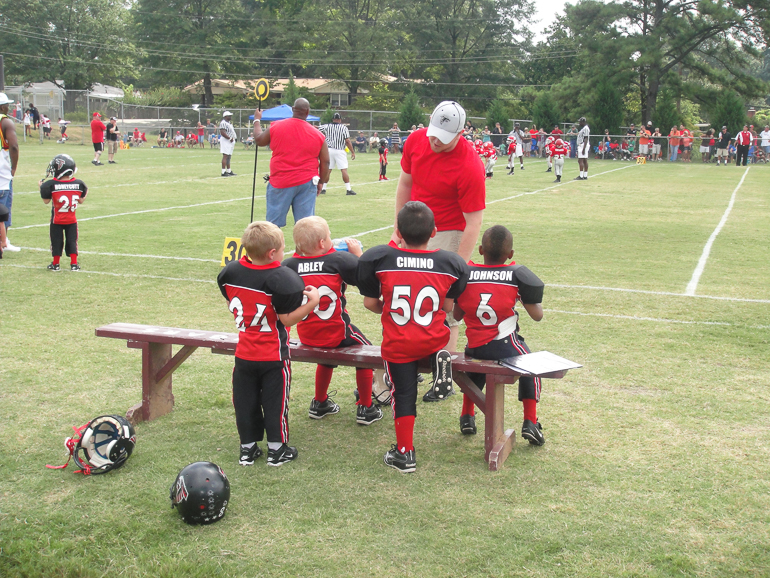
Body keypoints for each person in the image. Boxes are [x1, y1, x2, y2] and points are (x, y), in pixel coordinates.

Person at [357, 202, 469, 472]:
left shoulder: (379, 258)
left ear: (398, 231)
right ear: (434, 232)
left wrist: (394, 311)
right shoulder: (450, 263)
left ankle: (405, 453)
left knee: (404, 394)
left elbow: (370, 303)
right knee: (436, 335)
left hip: (399, 342)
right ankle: (437, 359)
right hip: (433, 337)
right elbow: (448, 307)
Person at [390, 100, 485, 378]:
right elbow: (405, 184)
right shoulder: (417, 140)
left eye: (442, 138)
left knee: (445, 304)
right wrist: (400, 225)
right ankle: (411, 360)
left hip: (448, 230)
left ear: (460, 134)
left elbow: (473, 222)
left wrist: (458, 266)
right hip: (414, 225)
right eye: (432, 132)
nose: (434, 140)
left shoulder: (470, 165)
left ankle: (445, 371)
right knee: (404, 292)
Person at [217, 221, 320, 467]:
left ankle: (247, 449)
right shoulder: (281, 278)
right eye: (283, 248)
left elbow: (232, 292)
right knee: (275, 403)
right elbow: (287, 318)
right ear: (272, 253)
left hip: (243, 355)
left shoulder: (230, 273)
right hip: (273, 355)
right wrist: (312, 302)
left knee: (245, 403)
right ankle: (277, 449)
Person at [282, 216, 383, 425]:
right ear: (322, 243)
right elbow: (368, 279)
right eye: (328, 237)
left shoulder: (288, 265)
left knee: (325, 357)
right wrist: (359, 256)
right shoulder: (339, 260)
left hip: (308, 333)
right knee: (366, 353)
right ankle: (366, 407)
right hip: (336, 331)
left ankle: (319, 402)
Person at [452, 225, 545, 443]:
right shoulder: (515, 275)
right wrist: (520, 295)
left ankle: (467, 416)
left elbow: (456, 313)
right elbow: (537, 316)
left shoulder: (467, 274)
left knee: (474, 364)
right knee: (531, 365)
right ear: (510, 254)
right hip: (504, 345)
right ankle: (531, 421)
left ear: (481, 250)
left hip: (475, 346)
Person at [253, 98, 330, 228]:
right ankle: (303, 249)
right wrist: (321, 181)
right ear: (308, 112)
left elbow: (259, 140)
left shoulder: (276, 126)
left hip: (280, 181)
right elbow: (326, 161)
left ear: (293, 110)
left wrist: (256, 120)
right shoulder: (318, 135)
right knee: (306, 227)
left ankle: (272, 248)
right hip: (306, 182)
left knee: (272, 226)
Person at [39, 154, 87, 271]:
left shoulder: (50, 185)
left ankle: (55, 264)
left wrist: (41, 187)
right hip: (72, 220)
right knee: (72, 241)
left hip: (57, 220)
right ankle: (74, 264)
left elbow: (46, 201)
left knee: (56, 241)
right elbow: (81, 200)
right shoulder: (79, 184)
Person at [0, 93, 20, 254]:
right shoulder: (5, 121)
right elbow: (13, 146)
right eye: (7, 104)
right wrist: (14, 167)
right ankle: (3, 241)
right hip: (2, 172)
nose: (9, 107)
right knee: (4, 208)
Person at [318, 112, 356, 195]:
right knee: (343, 169)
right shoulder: (343, 128)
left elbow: (317, 128)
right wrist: (352, 151)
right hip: (339, 150)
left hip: (329, 150)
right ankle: (348, 189)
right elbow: (347, 141)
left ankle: (323, 188)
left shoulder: (327, 126)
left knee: (328, 170)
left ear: (333, 119)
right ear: (340, 120)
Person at [219, 111, 237, 177]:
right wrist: (229, 138)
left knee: (229, 156)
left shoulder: (228, 123)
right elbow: (222, 132)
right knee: (225, 155)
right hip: (226, 141)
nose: (230, 117)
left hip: (230, 141)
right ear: (225, 116)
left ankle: (229, 171)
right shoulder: (223, 123)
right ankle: (223, 172)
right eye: (229, 116)